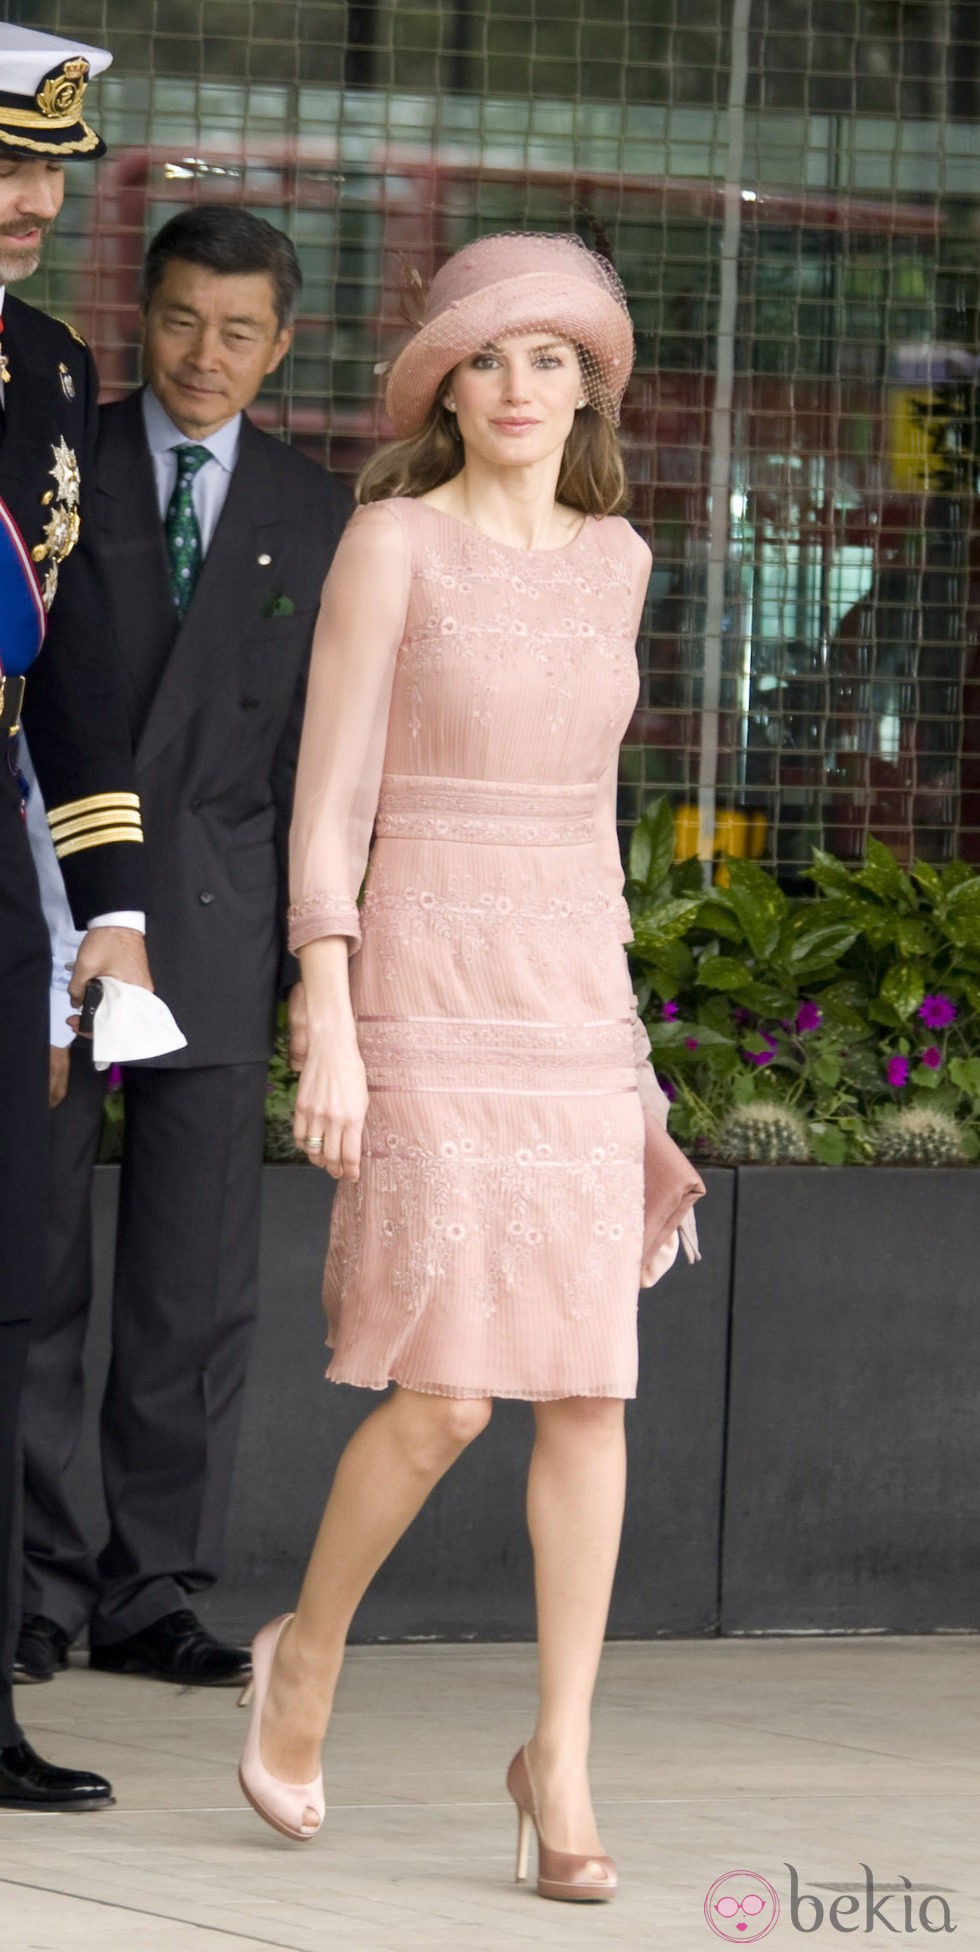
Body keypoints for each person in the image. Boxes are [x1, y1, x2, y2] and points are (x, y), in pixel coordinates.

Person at [236, 232, 703, 1894]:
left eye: (551, 361)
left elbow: (590, 822)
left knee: (591, 1384)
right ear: (445, 383)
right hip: (422, 978)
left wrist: (629, 1041)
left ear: (590, 387)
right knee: (441, 1391)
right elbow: (334, 798)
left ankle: (560, 1763)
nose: (518, 389)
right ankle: (308, 1656)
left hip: (571, 996)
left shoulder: (622, 559)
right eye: (489, 359)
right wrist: (329, 1011)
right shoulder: (391, 541)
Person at [14, 205, 349, 1692]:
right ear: (133, 315)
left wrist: (314, 965)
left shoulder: (318, 508)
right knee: (33, 1264)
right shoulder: (50, 447)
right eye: (176, 322)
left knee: (191, 1284)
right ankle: (28, 1584)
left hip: (218, 925)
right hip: (53, 905)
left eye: (238, 332)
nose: (202, 358)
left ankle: (153, 1586)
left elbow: (322, 764)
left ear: (282, 346)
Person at [0, 23, 153, 1811]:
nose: (35, 194)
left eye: (51, 164)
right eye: (5, 162)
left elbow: (78, 661)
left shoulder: (49, 367)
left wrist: (107, 908)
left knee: (17, 1279)